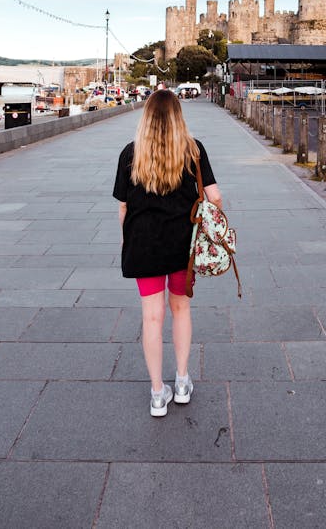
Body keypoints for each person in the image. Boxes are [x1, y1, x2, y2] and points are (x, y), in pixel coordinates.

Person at [113, 89, 222, 417]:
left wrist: (125, 240)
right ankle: (183, 380)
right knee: (181, 310)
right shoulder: (193, 150)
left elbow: (123, 207)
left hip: (144, 244)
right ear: (178, 116)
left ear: (146, 117)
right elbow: (214, 196)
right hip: (182, 245)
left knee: (151, 316)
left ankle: (158, 393)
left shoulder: (131, 154)